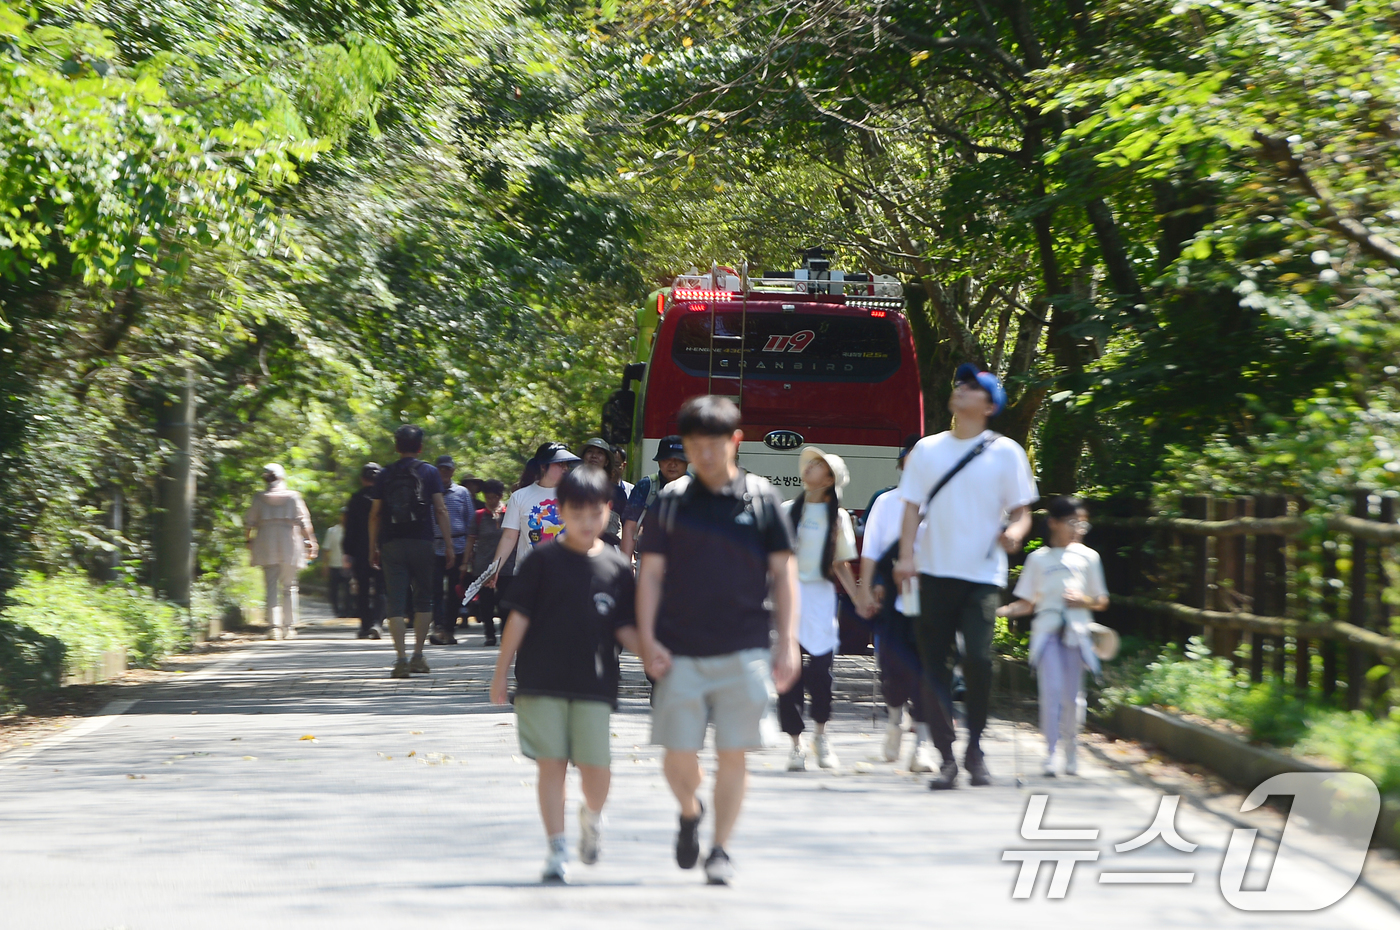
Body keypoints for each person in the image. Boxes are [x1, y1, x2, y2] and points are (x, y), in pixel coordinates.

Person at [636, 396, 799, 886]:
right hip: (679, 647)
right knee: (676, 754)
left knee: (734, 751)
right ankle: (690, 810)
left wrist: (787, 641)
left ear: (735, 441)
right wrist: (646, 638)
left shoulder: (762, 497)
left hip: (745, 646)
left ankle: (721, 849)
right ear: (685, 447)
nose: (705, 454)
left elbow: (784, 571)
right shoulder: (671, 501)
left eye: (715, 444)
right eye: (695, 445)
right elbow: (651, 576)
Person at [490, 465, 640, 883]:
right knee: (551, 765)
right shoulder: (542, 561)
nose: (586, 522)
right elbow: (518, 618)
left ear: (608, 511)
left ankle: (592, 817)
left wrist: (653, 656)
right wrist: (501, 673)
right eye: (577, 513)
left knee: (596, 769)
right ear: (561, 511)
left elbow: (625, 627)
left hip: (595, 683)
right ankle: (556, 848)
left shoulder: (614, 567)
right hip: (541, 680)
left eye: (595, 513)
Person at [893, 364, 1037, 789]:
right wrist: (905, 557)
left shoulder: (1006, 452)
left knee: (977, 658)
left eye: (972, 387)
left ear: (989, 405)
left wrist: (1014, 533)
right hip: (933, 572)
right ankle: (946, 756)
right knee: (932, 665)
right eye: (959, 383)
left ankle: (975, 746)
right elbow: (911, 507)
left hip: (982, 575)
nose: (960, 389)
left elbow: (1022, 509)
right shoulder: (926, 449)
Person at [998, 496, 1108, 777]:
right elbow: (1026, 603)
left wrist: (1082, 600)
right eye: (1072, 522)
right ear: (1053, 523)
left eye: (1082, 523)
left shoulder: (1088, 557)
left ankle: (1071, 751)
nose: (1078, 528)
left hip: (1077, 634)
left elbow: (1101, 600)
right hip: (1046, 633)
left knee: (1074, 698)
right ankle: (1050, 754)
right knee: (1051, 694)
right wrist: (996, 612)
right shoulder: (1038, 559)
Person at [778, 447, 871, 772]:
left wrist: (860, 598)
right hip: (789, 597)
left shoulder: (839, 517)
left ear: (829, 479)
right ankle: (795, 744)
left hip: (820, 598)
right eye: (810, 464)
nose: (810, 469)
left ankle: (820, 735)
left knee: (821, 672)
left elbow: (841, 564)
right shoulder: (787, 510)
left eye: (818, 466)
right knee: (788, 674)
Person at [858, 450, 936, 774]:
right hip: (894, 595)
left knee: (929, 672)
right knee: (892, 666)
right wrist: (870, 584)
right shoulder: (886, 502)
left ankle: (922, 747)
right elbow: (872, 548)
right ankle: (894, 722)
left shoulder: (942, 503)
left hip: (933, 596)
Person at [369, 425, 456, 679]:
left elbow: (375, 514)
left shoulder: (384, 474)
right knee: (424, 599)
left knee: (395, 601)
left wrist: (372, 547)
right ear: (420, 447)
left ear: (396, 447)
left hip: (392, 544)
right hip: (422, 542)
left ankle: (400, 659)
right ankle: (418, 656)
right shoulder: (429, 472)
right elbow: (440, 510)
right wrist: (449, 545)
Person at [486, 442, 581, 594]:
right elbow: (509, 537)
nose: (565, 468)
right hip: (528, 575)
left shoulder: (575, 495)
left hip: (566, 575)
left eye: (566, 464)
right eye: (560, 464)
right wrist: (494, 568)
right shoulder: (520, 497)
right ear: (543, 467)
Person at [244, 464, 317, 640]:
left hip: (266, 541)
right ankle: (289, 627)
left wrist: (248, 540)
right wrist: (312, 541)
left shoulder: (259, 498)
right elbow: (304, 522)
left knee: (271, 585)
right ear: (282, 477)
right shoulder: (293, 497)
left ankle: (273, 627)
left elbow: (249, 523)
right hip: (289, 542)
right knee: (289, 586)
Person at [429, 454, 475, 646]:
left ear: (453, 471)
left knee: (456, 589)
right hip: (435, 546)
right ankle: (438, 625)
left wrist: (468, 552)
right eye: (442, 469)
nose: (445, 472)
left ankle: (450, 627)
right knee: (436, 589)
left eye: (448, 469)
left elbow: (470, 521)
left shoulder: (462, 493)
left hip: (458, 546)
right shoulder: (429, 492)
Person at [620, 436, 689, 559]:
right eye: (667, 459)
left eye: (678, 459)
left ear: (687, 462)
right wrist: (625, 566)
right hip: (649, 558)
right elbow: (630, 527)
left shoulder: (698, 488)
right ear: (659, 461)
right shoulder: (645, 486)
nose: (672, 464)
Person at [345, 462, 384, 640]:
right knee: (382, 588)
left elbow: (349, 528)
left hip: (360, 550)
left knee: (363, 589)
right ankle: (377, 623)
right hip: (382, 548)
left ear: (362, 479)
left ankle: (364, 626)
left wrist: (348, 551)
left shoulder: (355, 498)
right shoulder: (386, 497)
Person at [468, 479, 507, 646]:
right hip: (483, 565)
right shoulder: (478, 516)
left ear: (500, 496)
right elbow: (470, 540)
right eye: (487, 497)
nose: (490, 501)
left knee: (505, 602)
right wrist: (465, 562)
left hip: (507, 565)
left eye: (494, 497)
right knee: (486, 603)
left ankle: (506, 633)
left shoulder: (510, 513)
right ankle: (489, 634)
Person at [580, 438, 626, 547]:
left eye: (600, 453)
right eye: (590, 451)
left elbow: (627, 527)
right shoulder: (571, 487)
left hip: (607, 551)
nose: (594, 456)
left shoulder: (617, 493)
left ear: (606, 462)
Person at [322, 509, 348, 617]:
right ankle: (337, 611)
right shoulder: (332, 531)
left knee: (348, 591)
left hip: (349, 567)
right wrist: (325, 565)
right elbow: (326, 549)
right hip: (334, 565)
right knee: (334, 591)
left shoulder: (356, 530)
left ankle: (348, 610)